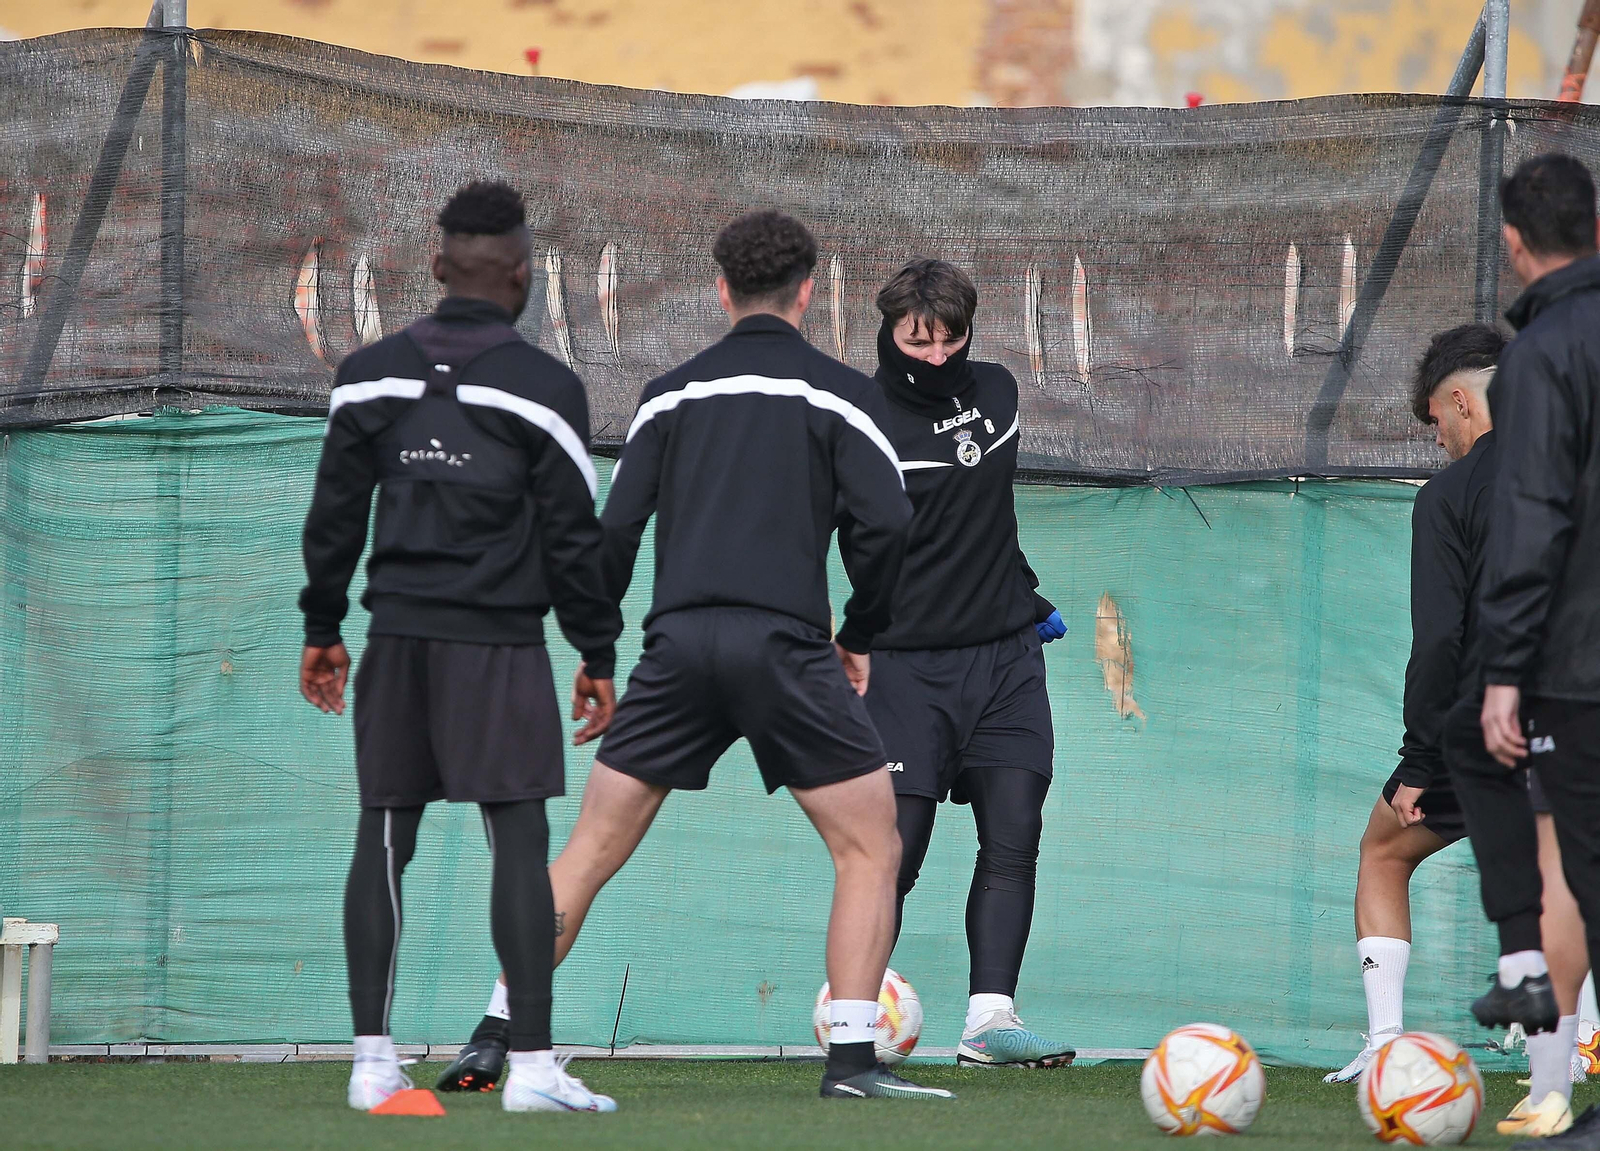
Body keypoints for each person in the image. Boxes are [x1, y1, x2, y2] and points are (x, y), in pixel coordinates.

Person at [442, 209, 949, 1101]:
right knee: (871, 846)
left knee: (590, 846)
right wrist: (860, 633)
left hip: (676, 646)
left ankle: (496, 1035)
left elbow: (613, 532)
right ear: (808, 290)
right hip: (787, 647)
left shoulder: (669, 394)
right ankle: (854, 1062)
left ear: (721, 289)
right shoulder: (841, 394)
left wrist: (598, 653)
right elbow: (891, 524)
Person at [298, 180, 622, 1114]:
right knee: (517, 843)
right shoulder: (545, 387)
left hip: (394, 635)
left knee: (385, 833)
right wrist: (595, 652)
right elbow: (573, 538)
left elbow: (333, 518)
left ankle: (371, 1065)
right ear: (522, 276)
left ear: (438, 266)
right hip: (500, 647)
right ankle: (529, 1070)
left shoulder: (367, 372)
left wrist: (324, 629)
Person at [835, 259, 1072, 1069]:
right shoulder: (855, 418)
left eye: (951, 339)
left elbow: (982, 517)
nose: (935, 357)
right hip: (902, 665)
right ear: (889, 329)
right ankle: (854, 1021)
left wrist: (1025, 594)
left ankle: (989, 1023)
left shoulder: (999, 392)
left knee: (1015, 829)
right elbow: (825, 535)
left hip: (1005, 656)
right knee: (895, 849)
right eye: (917, 340)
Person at [1441, 151, 1600, 1151]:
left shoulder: (1543, 354)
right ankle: (1516, 965)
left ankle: (1517, 961)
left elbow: (1533, 510)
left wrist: (1504, 668)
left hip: (1580, 665)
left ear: (1511, 244)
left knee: (1476, 740)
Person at [1323, 324, 1504, 1084]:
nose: (1439, 442)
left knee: (1382, 851)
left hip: (1496, 721)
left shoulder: (1451, 495)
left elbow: (1439, 642)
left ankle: (1388, 1044)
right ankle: (1581, 1033)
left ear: (1459, 402)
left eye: (1436, 423)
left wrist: (1422, 760)